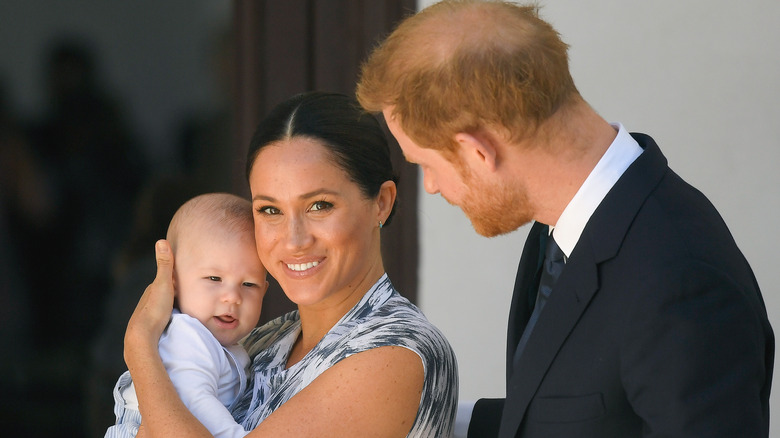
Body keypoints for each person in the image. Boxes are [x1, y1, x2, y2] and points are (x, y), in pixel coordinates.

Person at [356, 1, 773, 437]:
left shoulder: (681, 282)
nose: (432, 186)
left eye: (425, 164)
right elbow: (582, 414)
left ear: (479, 151)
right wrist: (420, 419)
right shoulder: (564, 225)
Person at [122, 91, 458, 437]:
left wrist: (140, 346)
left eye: (320, 205)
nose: (294, 241)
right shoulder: (265, 340)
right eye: (270, 210)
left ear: (381, 203)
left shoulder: (394, 352)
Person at [106, 193, 268, 438]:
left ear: (264, 291)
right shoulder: (187, 337)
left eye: (249, 284)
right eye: (214, 279)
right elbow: (195, 402)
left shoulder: (219, 342)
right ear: (173, 280)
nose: (232, 297)